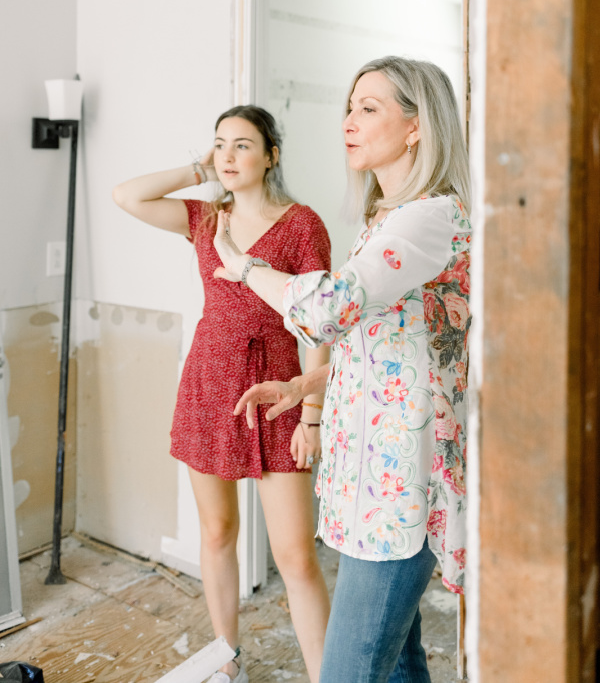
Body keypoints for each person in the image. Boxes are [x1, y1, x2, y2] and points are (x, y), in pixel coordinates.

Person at [212, 57, 472, 683]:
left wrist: (245, 264)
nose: (348, 122)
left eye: (369, 108)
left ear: (416, 126)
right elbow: (396, 349)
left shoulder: (427, 219)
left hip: (397, 489)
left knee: (348, 672)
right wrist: (308, 383)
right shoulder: (388, 220)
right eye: (349, 107)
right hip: (371, 481)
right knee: (399, 663)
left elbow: (329, 309)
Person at [112, 105, 331, 683]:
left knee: (295, 557)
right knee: (217, 532)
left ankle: (328, 676)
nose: (228, 157)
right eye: (220, 146)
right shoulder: (206, 218)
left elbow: (318, 323)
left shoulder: (303, 224)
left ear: (271, 155)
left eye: (242, 145)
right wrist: (196, 168)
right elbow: (127, 196)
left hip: (279, 392)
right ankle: (226, 662)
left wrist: (313, 416)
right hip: (209, 384)